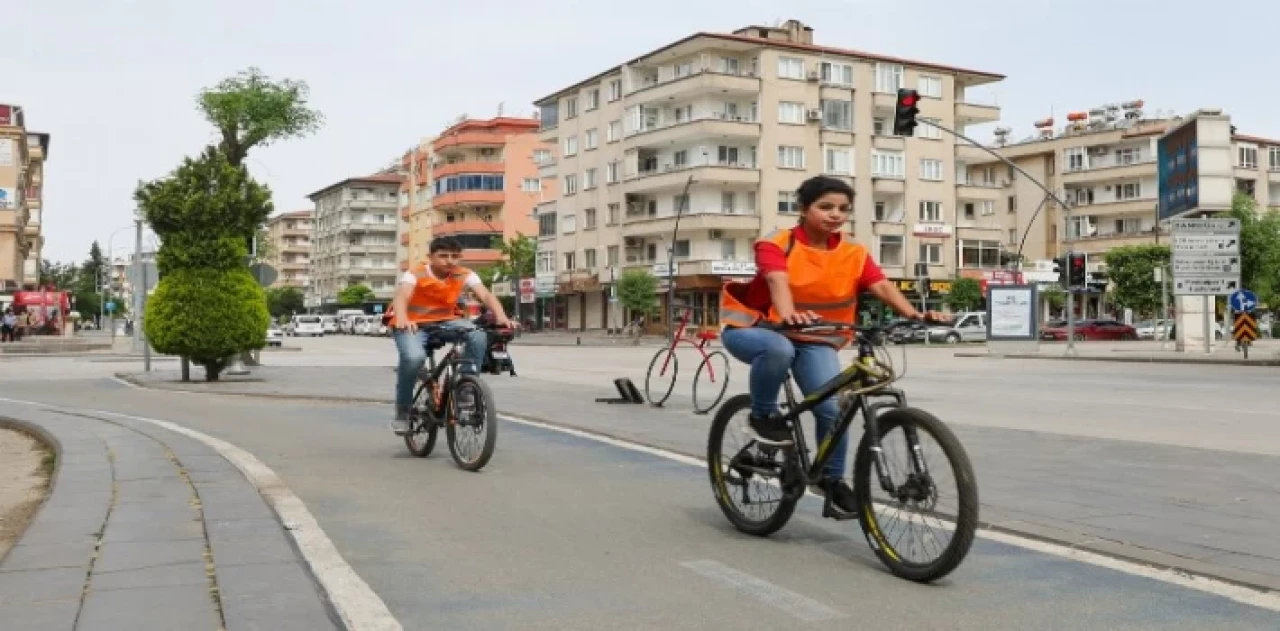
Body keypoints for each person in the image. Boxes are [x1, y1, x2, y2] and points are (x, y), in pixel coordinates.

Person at [719, 175, 947, 516]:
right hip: (755, 327)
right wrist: (787, 314)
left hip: (816, 338)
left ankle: (832, 479)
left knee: (832, 410)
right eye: (825, 207)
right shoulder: (777, 242)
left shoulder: (854, 252)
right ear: (803, 208)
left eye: (843, 209)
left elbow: (881, 286)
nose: (835, 215)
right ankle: (764, 416)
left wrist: (915, 314)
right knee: (778, 350)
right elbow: (776, 278)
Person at [388, 236, 516, 435]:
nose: (450, 261)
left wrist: (501, 316)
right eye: (443, 256)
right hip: (412, 324)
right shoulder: (416, 273)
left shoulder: (464, 274)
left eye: (455, 256)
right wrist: (403, 318)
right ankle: (403, 411)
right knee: (413, 359)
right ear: (430, 257)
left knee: (478, 335)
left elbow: (485, 295)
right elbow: (402, 296)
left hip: (446, 322)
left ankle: (466, 387)